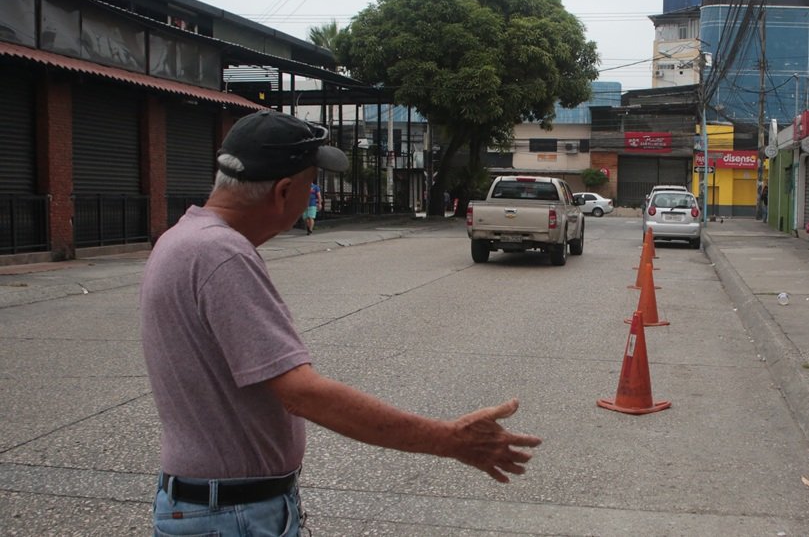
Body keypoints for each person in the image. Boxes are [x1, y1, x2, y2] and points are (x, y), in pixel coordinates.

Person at [140, 110, 541, 535]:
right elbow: (303, 394)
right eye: (311, 182)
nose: (311, 192)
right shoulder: (221, 255)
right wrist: (450, 439)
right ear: (283, 192)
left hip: (215, 505)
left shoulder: (182, 238)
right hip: (230, 516)